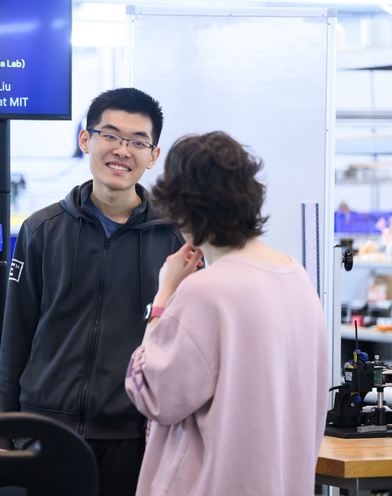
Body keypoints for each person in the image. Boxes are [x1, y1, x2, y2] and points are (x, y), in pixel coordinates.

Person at [0, 88, 186, 496]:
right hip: (43, 434)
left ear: (153, 156)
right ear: (86, 140)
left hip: (134, 440)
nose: (122, 150)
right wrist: (2, 432)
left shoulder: (176, 241)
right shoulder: (41, 230)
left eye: (138, 142)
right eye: (111, 135)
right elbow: (15, 338)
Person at [125, 132, 328, 496]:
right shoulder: (297, 278)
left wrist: (163, 296)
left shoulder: (206, 292)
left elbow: (154, 393)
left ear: (183, 208)